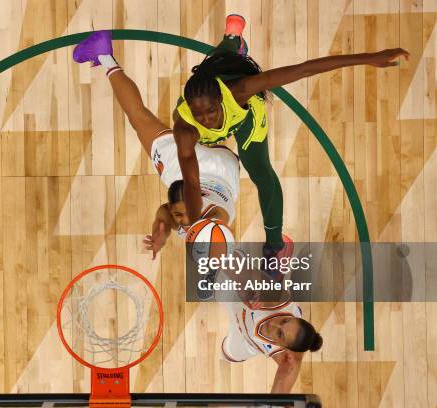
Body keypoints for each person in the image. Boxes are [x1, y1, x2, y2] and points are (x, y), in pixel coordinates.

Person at [73, 15, 409, 278]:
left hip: (242, 122)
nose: (206, 118)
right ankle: (274, 247)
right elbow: (190, 182)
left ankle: (228, 42)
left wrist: (370, 58)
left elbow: (304, 69)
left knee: (258, 171)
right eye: (200, 112)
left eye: (210, 110)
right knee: (149, 115)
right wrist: (192, 218)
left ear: (221, 96)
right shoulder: (185, 122)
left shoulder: (240, 90)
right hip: (209, 164)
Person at [72, 32, 240, 260]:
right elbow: (219, 240)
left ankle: (232, 50)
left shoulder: (188, 217)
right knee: (138, 116)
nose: (181, 219)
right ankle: (104, 54)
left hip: (224, 169)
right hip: (212, 169)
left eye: (177, 214)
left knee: (206, 98)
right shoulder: (211, 222)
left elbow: (166, 211)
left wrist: (161, 228)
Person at [215, 250, 323, 393]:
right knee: (222, 278)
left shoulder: (287, 359)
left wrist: (282, 377)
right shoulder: (278, 298)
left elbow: (278, 398)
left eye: (280, 333)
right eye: (285, 320)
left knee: (227, 353)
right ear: (292, 316)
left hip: (248, 342)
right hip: (238, 303)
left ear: (283, 346)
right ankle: (240, 262)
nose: (274, 323)